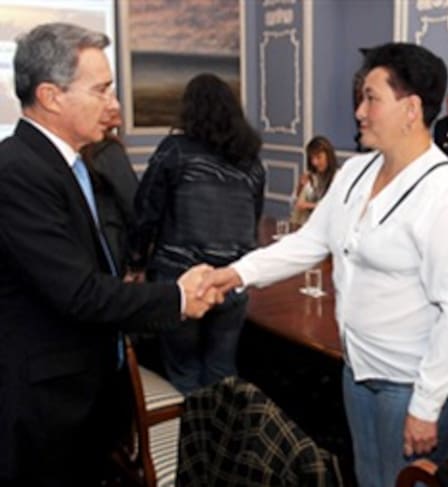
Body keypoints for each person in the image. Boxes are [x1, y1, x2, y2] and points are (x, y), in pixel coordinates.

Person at [198, 42, 448, 487]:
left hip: (413, 382)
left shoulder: (447, 196)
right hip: (360, 367)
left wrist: (426, 406)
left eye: (371, 98)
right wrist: (235, 274)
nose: (359, 112)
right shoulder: (355, 173)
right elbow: (309, 242)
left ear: (411, 109)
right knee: (369, 478)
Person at [0, 23, 220, 487]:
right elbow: (79, 293)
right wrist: (178, 297)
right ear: (51, 96)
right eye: (101, 90)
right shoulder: (17, 171)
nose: (114, 105)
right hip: (49, 408)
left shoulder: (67, 164)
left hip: (89, 394)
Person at [133, 73, 265, 395]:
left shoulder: (175, 151)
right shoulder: (250, 162)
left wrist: (135, 263)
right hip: (231, 279)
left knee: (184, 371)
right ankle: (220, 427)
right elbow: (254, 218)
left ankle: (193, 428)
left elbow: (146, 211)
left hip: (181, 279)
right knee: (222, 371)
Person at [80, 102, 139, 278]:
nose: (115, 106)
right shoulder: (107, 150)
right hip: (110, 243)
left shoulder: (78, 150)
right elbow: (132, 201)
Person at [290, 135, 338, 226]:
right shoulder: (311, 176)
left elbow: (335, 207)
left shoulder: (338, 177)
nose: (314, 162)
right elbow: (293, 204)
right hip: (307, 225)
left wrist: (308, 205)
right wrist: (300, 186)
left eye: (319, 157)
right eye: (312, 158)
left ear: (328, 156)